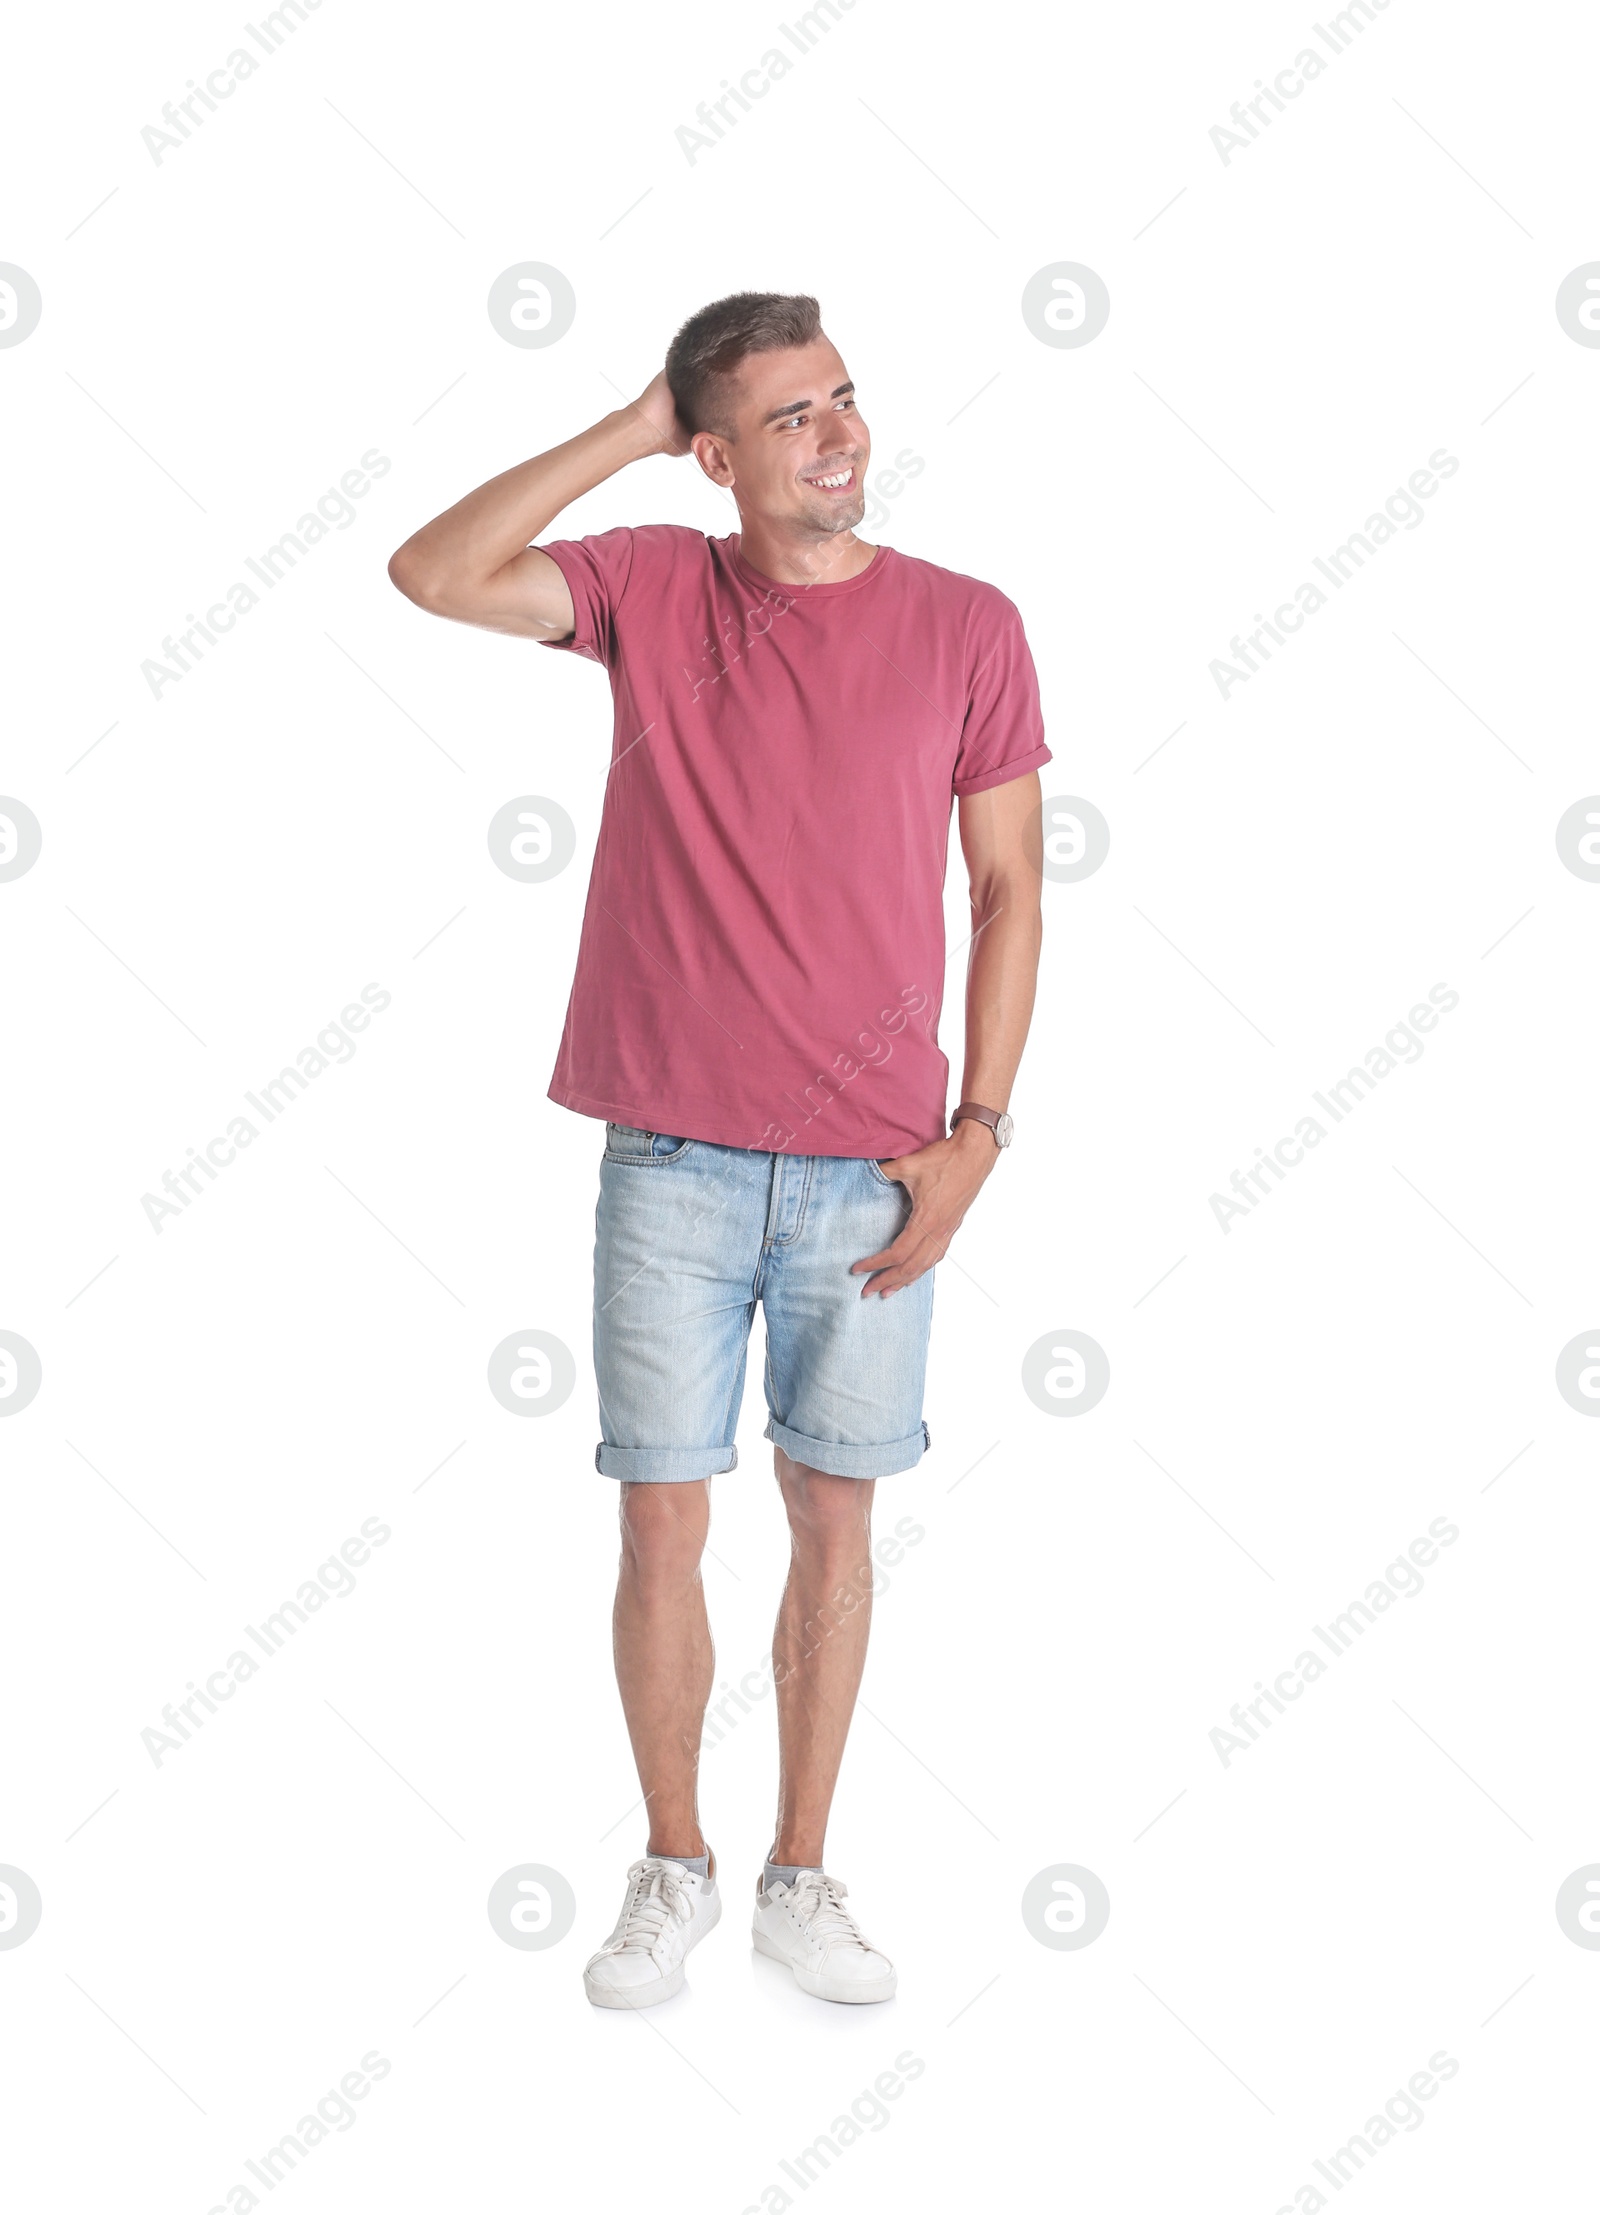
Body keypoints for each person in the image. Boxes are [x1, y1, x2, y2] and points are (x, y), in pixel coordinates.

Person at [388, 291, 1049, 2009]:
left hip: (876, 1170)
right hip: (671, 1159)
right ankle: (671, 1866)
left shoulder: (969, 623)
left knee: (838, 1524)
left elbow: (1009, 892)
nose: (839, 436)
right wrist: (627, 428)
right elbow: (433, 574)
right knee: (661, 1524)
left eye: (842, 400)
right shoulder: (652, 588)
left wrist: (980, 1136)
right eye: (789, 419)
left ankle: (801, 1878)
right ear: (714, 459)